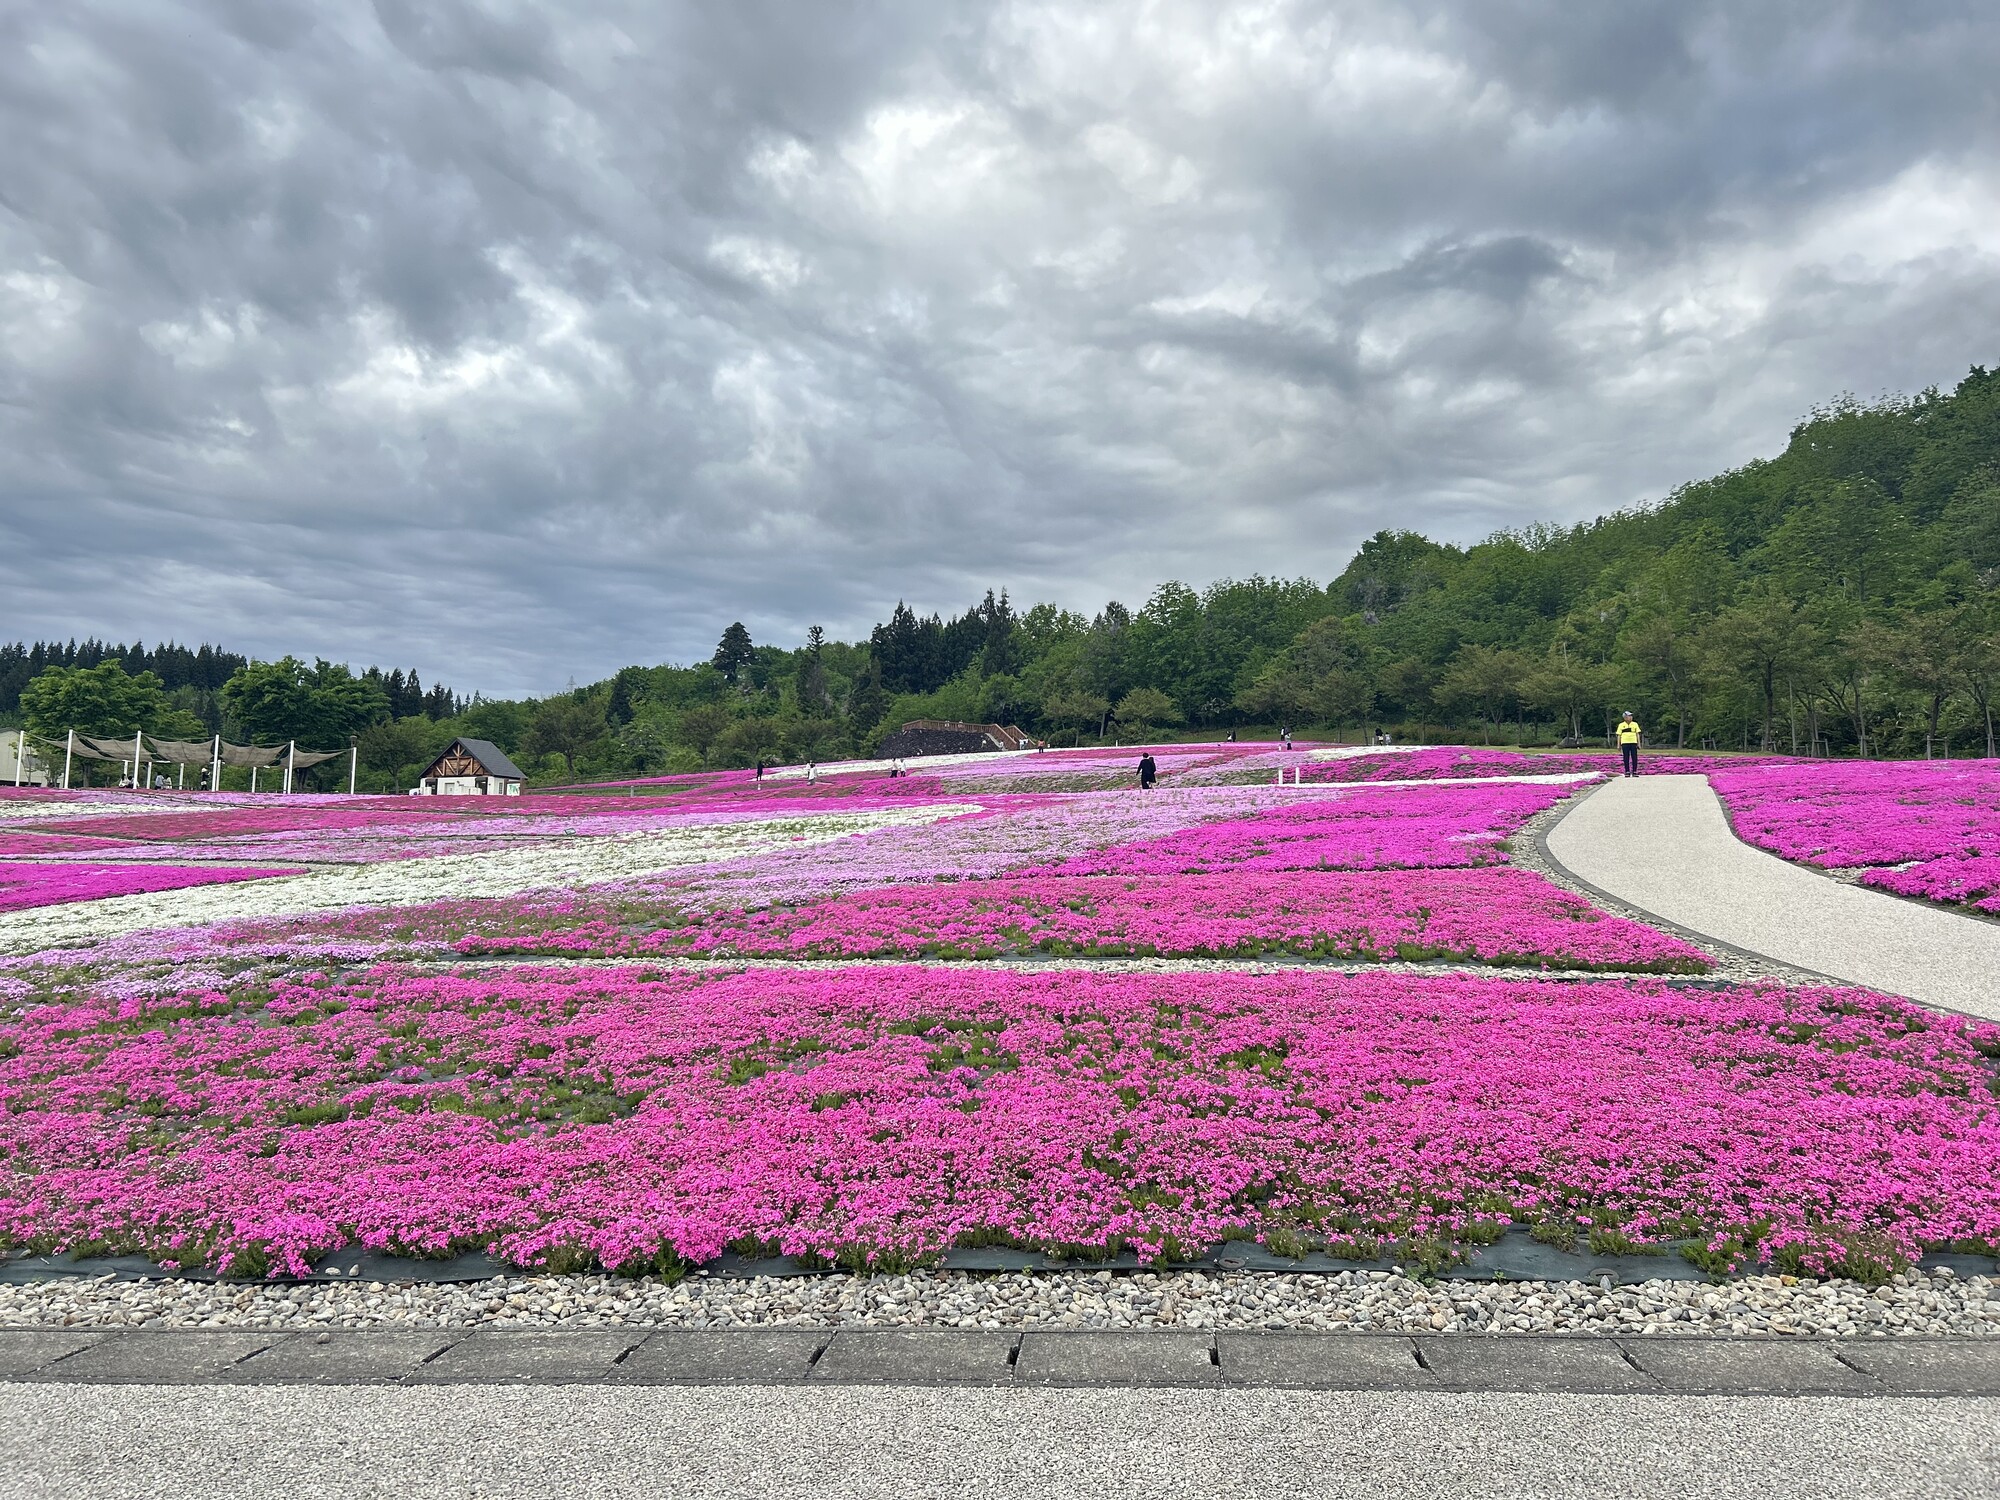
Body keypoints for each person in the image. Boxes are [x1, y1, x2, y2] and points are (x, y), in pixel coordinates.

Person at [1616, 712, 1642, 777]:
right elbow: (1619, 735)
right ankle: (1627, 771)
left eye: (1631, 716)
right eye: (1629, 716)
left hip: (1633, 742)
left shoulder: (1635, 724)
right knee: (1626, 757)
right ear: (1625, 718)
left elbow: (1637, 734)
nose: (1631, 717)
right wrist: (1618, 745)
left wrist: (1639, 743)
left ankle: (1634, 771)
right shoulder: (1621, 725)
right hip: (1625, 743)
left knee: (1634, 757)